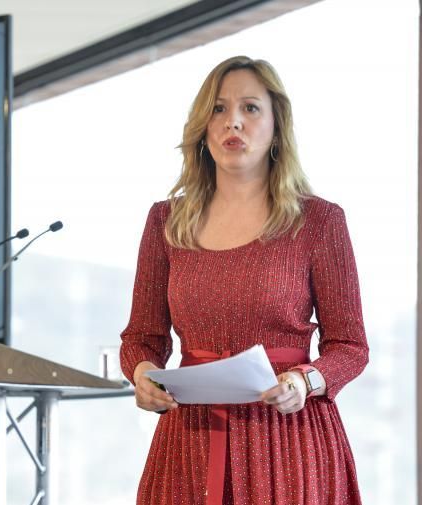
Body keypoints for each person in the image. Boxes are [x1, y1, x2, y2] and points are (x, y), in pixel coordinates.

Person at [119, 55, 368, 505]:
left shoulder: (320, 221)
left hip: (287, 442)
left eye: (250, 108)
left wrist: (305, 382)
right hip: (188, 442)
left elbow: (350, 346)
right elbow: (142, 337)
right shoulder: (164, 222)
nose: (232, 120)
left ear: (277, 125)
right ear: (202, 125)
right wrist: (142, 376)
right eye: (218, 108)